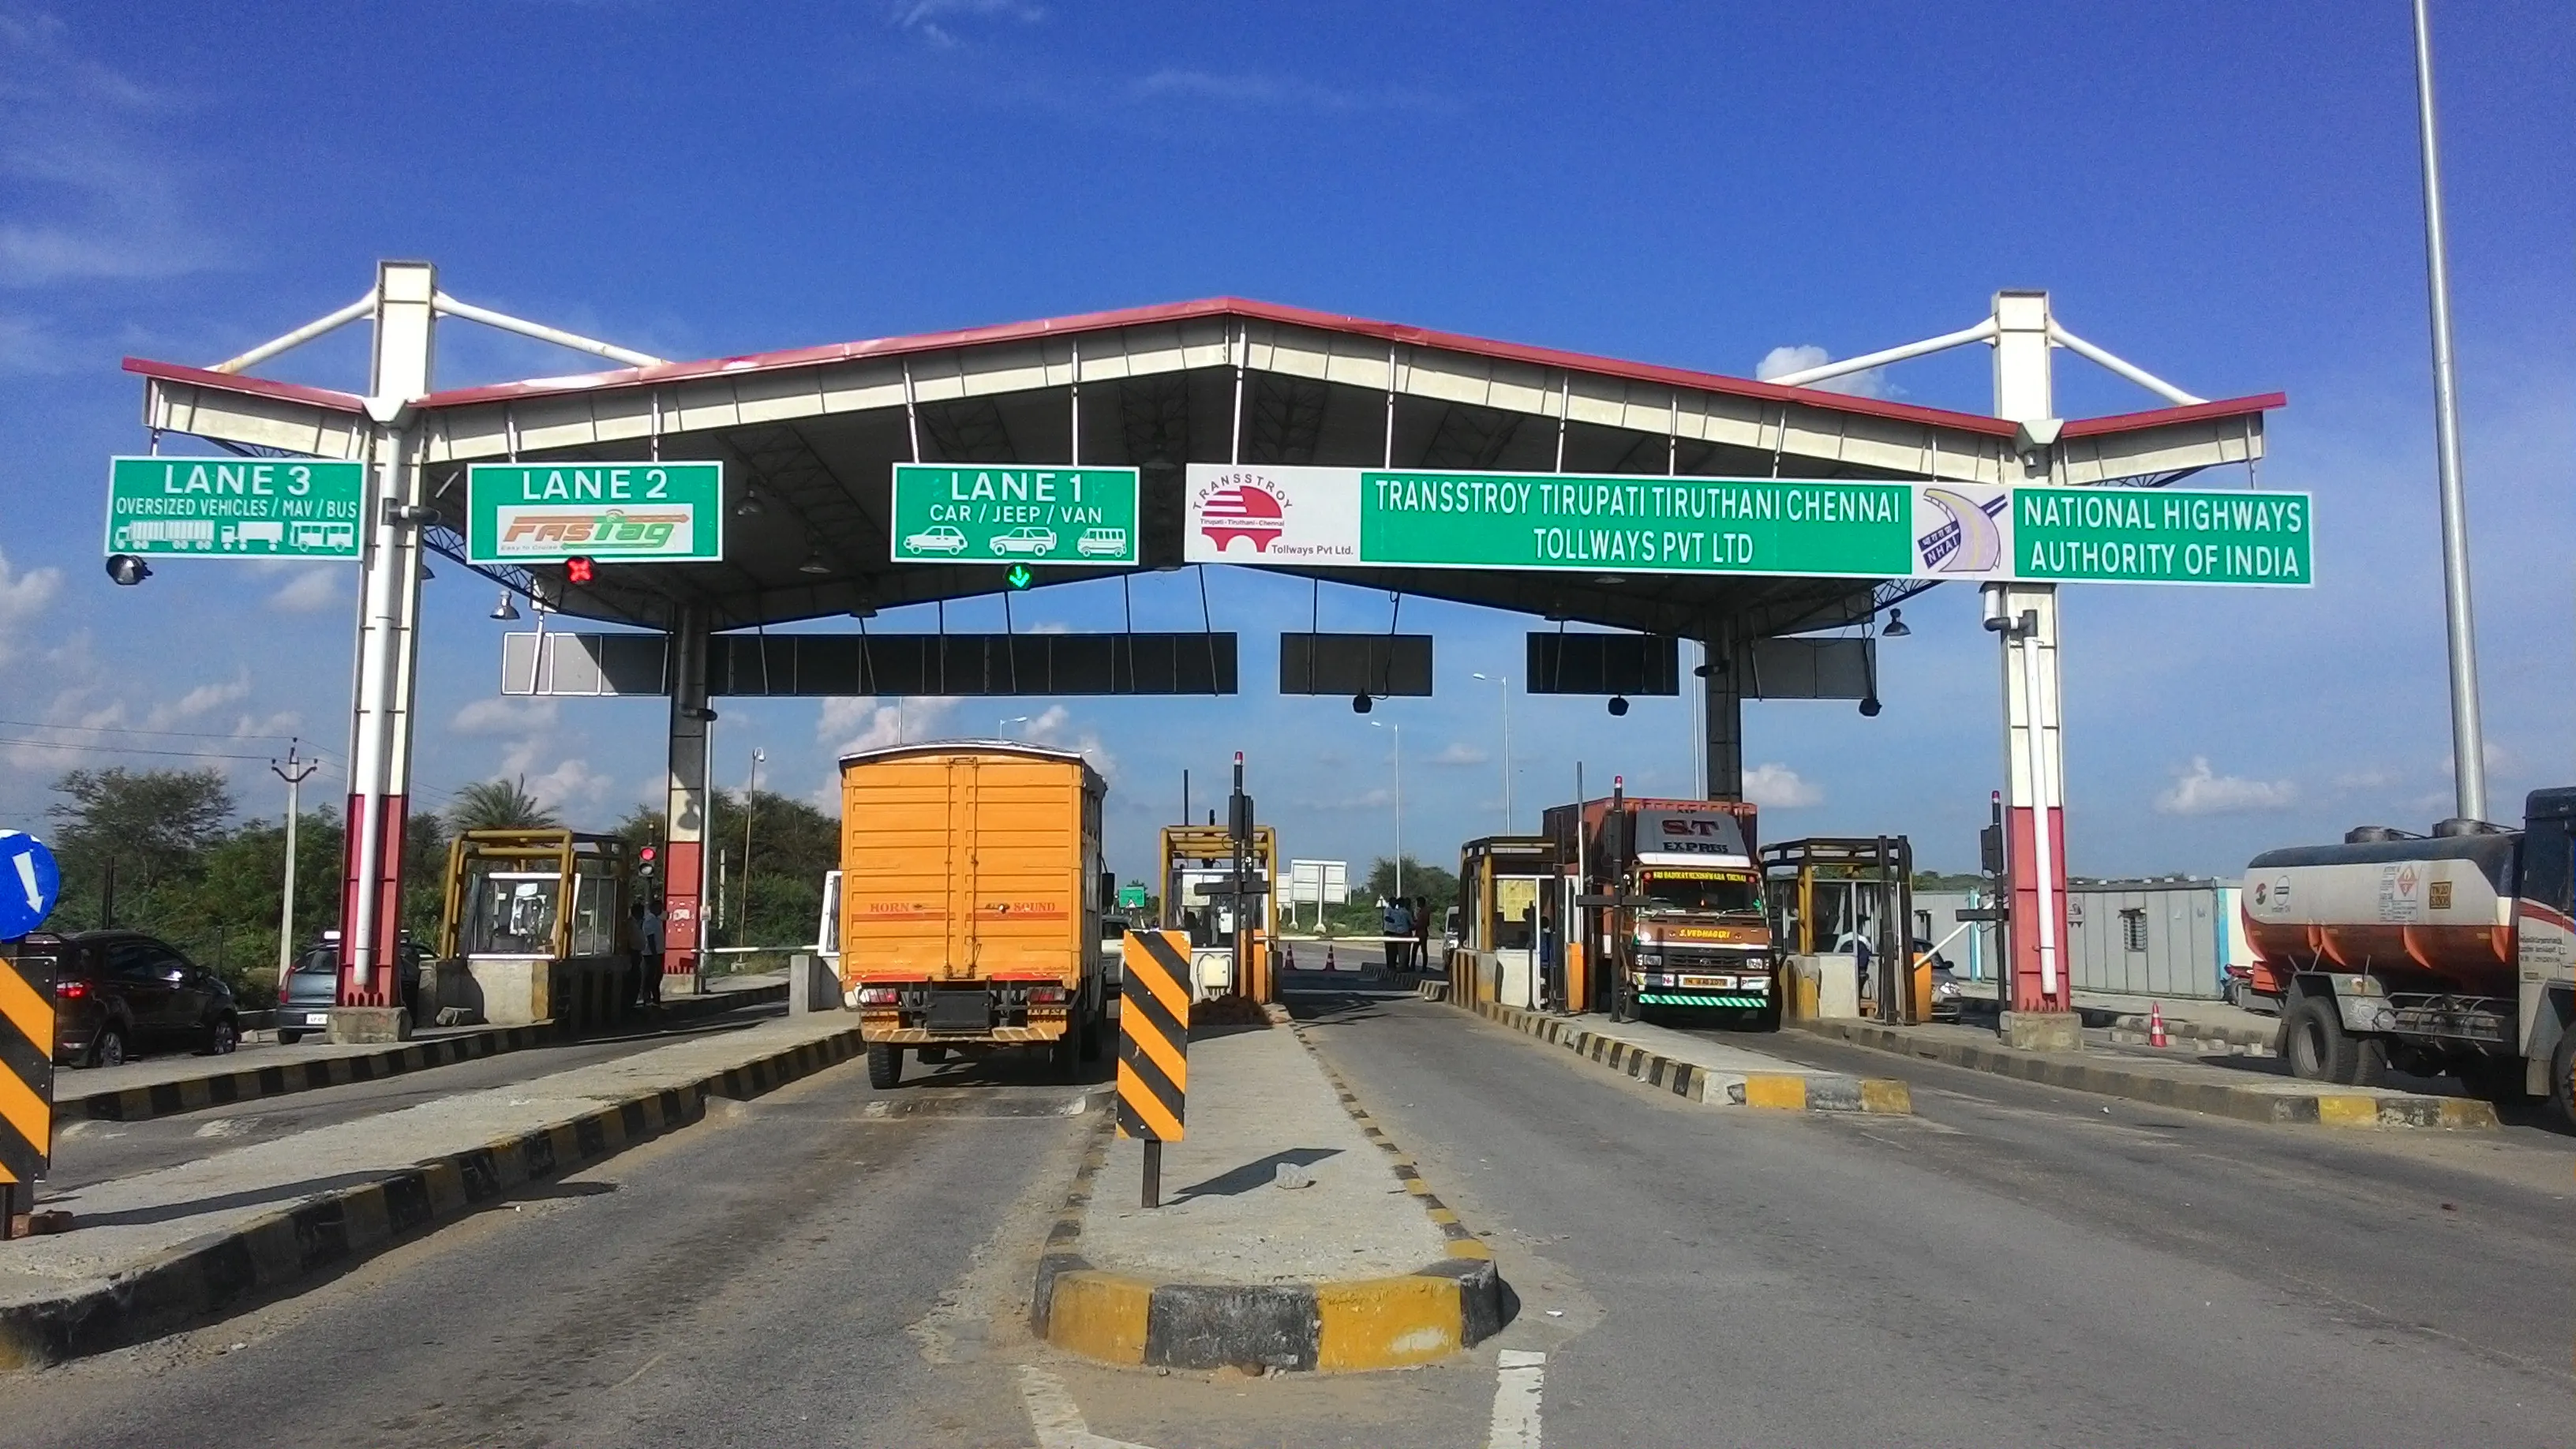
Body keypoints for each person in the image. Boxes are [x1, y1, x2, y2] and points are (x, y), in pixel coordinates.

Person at [638, 899, 665, 1006]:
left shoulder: (657, 920)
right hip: (651, 954)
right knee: (650, 977)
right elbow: (650, 938)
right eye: (659, 908)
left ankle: (656, 999)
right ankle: (648, 999)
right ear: (653, 908)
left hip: (658, 952)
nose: (661, 910)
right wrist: (654, 954)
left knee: (658, 976)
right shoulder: (650, 920)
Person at [1380, 896, 1413, 975]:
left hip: (1396, 932)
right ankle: (1390, 966)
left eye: (1396, 902)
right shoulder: (1388, 910)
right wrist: (1396, 921)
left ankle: (1394, 965)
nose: (1395, 903)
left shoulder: (1397, 911)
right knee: (1390, 950)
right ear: (1390, 902)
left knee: (1395, 950)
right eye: (1394, 902)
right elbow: (1387, 918)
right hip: (1389, 932)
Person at [1413, 896, 1432, 976]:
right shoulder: (1422, 911)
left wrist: (1416, 925)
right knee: (1418, 950)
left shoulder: (1424, 912)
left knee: (1422, 950)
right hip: (1420, 932)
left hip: (1422, 933)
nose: (1417, 904)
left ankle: (1422, 967)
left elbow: (1425, 923)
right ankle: (1415, 966)